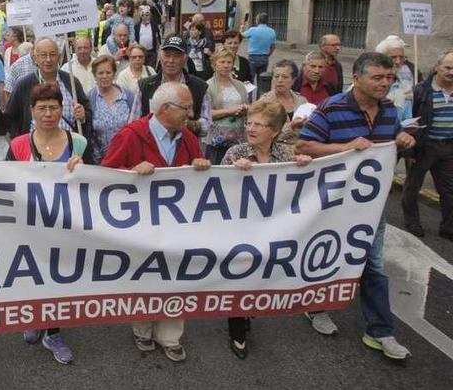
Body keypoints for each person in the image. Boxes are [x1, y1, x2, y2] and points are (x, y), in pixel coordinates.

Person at [297, 52, 416, 360]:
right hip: (334, 204)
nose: (385, 84)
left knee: (373, 266)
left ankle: (380, 331)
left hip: (371, 208)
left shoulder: (390, 110)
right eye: (378, 78)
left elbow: (391, 142)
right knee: (328, 256)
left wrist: (402, 136)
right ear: (357, 77)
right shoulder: (331, 108)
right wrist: (345, 148)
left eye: (389, 78)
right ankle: (317, 306)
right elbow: (305, 146)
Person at [101, 82, 211, 362]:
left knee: (177, 279)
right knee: (146, 278)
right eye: (186, 108)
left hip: (177, 229)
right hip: (142, 230)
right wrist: (130, 172)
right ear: (164, 109)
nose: (191, 113)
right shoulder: (131, 135)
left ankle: (171, 335)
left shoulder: (188, 138)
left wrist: (201, 166)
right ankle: (143, 329)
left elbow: (201, 179)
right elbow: (104, 177)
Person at [6, 82, 91, 365]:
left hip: (66, 226)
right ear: (32, 111)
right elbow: (3, 181)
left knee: (57, 278)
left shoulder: (78, 142)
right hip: (29, 227)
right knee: (31, 274)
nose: (48, 114)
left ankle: (52, 332)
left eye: (53, 108)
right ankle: (33, 317)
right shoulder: (18, 145)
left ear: (61, 109)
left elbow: (96, 184)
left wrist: (84, 169)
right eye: (42, 108)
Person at [221, 100, 312, 359]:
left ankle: (248, 308)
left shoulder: (285, 155)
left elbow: (302, 185)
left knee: (259, 273)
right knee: (239, 274)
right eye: (249, 122)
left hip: (273, 229)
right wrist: (233, 174)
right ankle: (236, 330)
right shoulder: (236, 154)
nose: (250, 128)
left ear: (273, 130)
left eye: (258, 125)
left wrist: (306, 166)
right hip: (240, 229)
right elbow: (216, 193)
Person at [402, 50, 453, 240]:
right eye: (447, 67)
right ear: (437, 67)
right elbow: (409, 121)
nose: (451, 72)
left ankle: (448, 227)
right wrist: (410, 150)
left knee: (449, 190)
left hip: (448, 148)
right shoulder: (420, 91)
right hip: (424, 147)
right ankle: (412, 222)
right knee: (412, 187)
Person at [6, 38, 91, 138]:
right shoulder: (24, 85)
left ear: (59, 57)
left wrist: (83, 115)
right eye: (43, 55)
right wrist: (22, 143)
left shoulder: (71, 82)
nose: (48, 59)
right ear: (35, 58)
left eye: (52, 54)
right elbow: (10, 118)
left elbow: (87, 111)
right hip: (35, 149)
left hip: (69, 147)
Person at [137, 36, 211, 138]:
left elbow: (207, 126)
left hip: (186, 148)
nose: (171, 60)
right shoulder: (145, 86)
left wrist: (188, 124)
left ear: (185, 59)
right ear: (161, 57)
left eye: (176, 56)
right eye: (167, 55)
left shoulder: (199, 87)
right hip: (151, 147)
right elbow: (134, 122)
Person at [204, 47, 249, 164]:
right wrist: (230, 111)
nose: (226, 65)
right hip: (217, 138)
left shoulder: (239, 85)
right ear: (214, 64)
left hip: (238, 136)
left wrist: (245, 109)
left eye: (229, 62)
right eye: (222, 62)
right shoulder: (208, 86)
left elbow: (248, 106)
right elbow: (206, 114)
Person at [89, 54, 135, 161]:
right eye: (100, 73)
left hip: (127, 157)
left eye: (108, 72)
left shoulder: (128, 96)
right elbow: (89, 131)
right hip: (100, 161)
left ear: (114, 74)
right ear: (95, 75)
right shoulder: (91, 98)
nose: (104, 76)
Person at [260, 59, 309, 145]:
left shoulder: (302, 101)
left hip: (300, 150)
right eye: (276, 76)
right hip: (275, 150)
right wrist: (291, 126)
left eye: (285, 77)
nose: (280, 80)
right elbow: (263, 135)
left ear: (293, 80)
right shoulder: (264, 102)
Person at [376, 34, 415, 122]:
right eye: (393, 57)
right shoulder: (370, 81)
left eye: (401, 57)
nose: (398, 61)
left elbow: (407, 114)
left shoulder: (405, 82)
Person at [240, 13, 276, 81]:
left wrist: (241, 28)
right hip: (264, 57)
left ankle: (250, 92)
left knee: (250, 79)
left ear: (258, 20)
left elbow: (241, 35)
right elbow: (273, 47)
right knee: (262, 80)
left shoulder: (252, 30)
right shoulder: (272, 31)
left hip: (253, 57)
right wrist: (268, 55)